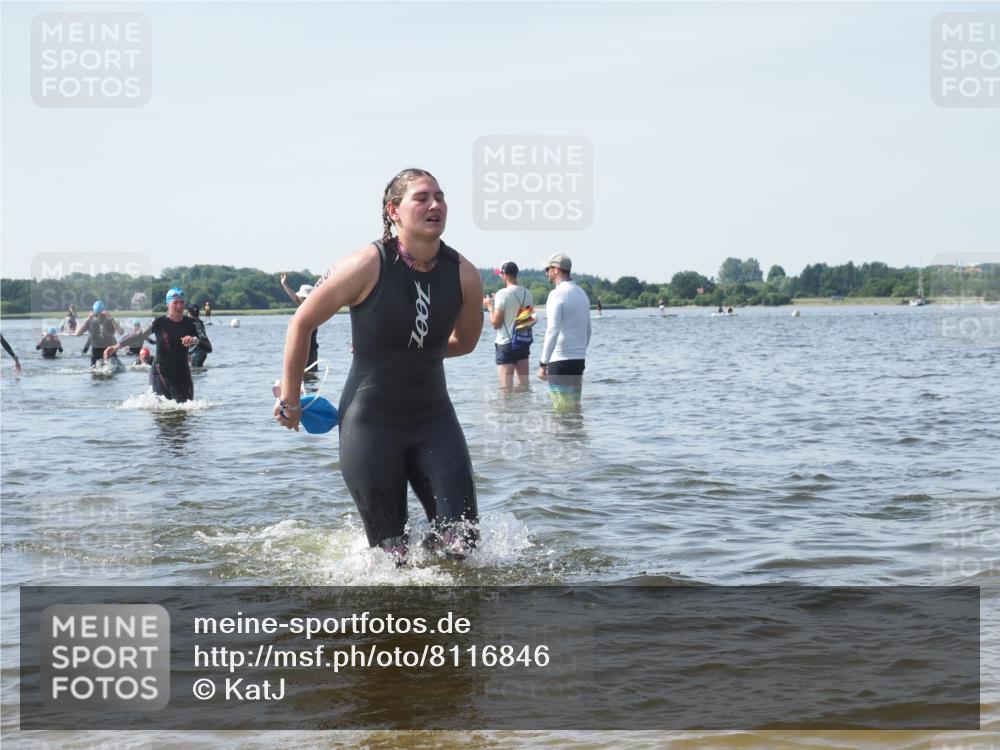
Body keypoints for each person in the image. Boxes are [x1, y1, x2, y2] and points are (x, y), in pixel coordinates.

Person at [274, 168, 484, 564]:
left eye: (440, 197)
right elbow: (301, 322)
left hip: (435, 421)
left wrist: (411, 351)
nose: (435, 205)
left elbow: (466, 342)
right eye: (422, 198)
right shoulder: (365, 265)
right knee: (393, 558)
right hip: (370, 426)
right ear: (393, 210)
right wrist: (291, 400)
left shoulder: (464, 274)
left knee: (464, 546)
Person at [103, 288, 209, 403]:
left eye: (182, 302)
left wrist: (195, 340)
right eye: (175, 303)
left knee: (187, 409)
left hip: (182, 373)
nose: (179, 306)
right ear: (168, 304)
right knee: (162, 409)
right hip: (160, 373)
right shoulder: (158, 322)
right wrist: (117, 346)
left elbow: (208, 347)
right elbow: (138, 334)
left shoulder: (193, 323)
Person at [537, 253, 591, 411]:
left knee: (561, 411)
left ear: (556, 269)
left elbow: (552, 330)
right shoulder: (582, 294)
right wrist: (580, 352)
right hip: (578, 361)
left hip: (560, 361)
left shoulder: (556, 294)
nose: (546, 273)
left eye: (548, 269)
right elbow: (588, 330)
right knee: (574, 409)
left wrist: (543, 363)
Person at [484, 261, 534, 389]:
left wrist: (490, 306)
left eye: (501, 274)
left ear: (505, 275)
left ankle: (508, 404)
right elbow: (527, 321)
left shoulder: (502, 294)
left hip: (506, 344)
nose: (500, 277)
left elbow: (495, 323)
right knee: (524, 386)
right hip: (522, 343)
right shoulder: (527, 293)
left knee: (505, 390)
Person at [280, 273, 319, 373]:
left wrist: (285, 285)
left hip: (308, 351)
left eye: (302, 297)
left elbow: (296, 299)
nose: (299, 299)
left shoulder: (309, 310)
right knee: (310, 374)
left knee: (307, 374)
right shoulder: (314, 309)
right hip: (311, 351)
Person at [74, 301, 123, 366]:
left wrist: (111, 319)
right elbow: (77, 334)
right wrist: (88, 319)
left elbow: (121, 332)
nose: (100, 317)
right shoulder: (90, 321)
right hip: (100, 352)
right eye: (97, 314)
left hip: (106, 351)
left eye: (101, 315)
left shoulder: (110, 320)